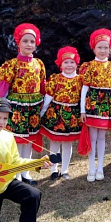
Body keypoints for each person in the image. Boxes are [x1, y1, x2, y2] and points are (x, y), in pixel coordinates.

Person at [0, 23, 46, 186]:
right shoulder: (12, 64)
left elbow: (42, 85)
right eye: (25, 41)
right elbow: (3, 87)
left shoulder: (39, 64)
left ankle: (26, 172)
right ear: (18, 43)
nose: (29, 44)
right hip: (16, 107)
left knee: (29, 140)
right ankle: (14, 174)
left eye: (32, 41)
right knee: (15, 141)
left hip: (34, 107)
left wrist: (45, 104)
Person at [79, 28, 111, 182]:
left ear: (110, 49)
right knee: (92, 136)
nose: (103, 50)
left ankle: (100, 167)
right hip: (93, 103)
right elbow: (84, 89)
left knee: (102, 137)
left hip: (108, 104)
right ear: (93, 48)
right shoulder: (88, 66)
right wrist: (82, 110)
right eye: (99, 47)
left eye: (106, 47)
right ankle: (91, 167)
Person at [40, 46, 83, 180]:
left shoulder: (80, 80)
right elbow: (48, 96)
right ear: (60, 64)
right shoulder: (55, 78)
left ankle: (64, 169)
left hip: (72, 116)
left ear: (77, 63)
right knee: (54, 143)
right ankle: (54, 169)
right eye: (66, 62)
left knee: (67, 144)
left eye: (72, 62)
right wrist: (42, 112)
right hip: (56, 114)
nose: (69, 65)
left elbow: (82, 97)